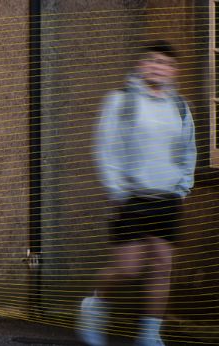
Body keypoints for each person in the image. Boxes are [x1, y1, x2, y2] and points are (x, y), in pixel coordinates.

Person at [78, 40, 196, 346]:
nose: (158, 66)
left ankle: (149, 336)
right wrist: (115, 189)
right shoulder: (121, 101)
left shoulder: (180, 106)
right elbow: (107, 148)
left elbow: (188, 151)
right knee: (127, 269)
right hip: (131, 197)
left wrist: (183, 187)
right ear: (141, 66)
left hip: (168, 199)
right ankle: (93, 304)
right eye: (152, 61)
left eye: (165, 62)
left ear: (173, 70)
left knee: (161, 268)